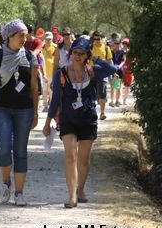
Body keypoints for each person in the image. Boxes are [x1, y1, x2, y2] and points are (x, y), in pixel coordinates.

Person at [43, 37, 116, 208]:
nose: (77, 56)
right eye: (75, 52)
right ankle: (72, 196)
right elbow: (55, 101)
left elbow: (112, 68)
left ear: (86, 56)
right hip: (68, 120)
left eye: (81, 53)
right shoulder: (61, 74)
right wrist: (47, 123)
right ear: (70, 53)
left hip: (87, 120)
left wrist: (95, 59)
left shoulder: (93, 71)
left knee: (83, 160)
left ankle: (80, 190)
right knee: (70, 157)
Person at [0, 19, 38, 207]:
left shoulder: (30, 57)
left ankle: (20, 193)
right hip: (1, 109)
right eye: (21, 35)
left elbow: (33, 87)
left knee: (21, 151)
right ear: (9, 37)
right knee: (4, 149)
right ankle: (6, 182)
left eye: (26, 35)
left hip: (25, 109)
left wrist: (37, 112)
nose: (25, 38)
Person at [90, 30, 113, 120]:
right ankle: (93, 112)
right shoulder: (90, 48)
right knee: (92, 94)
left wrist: (112, 71)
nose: (96, 40)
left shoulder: (106, 48)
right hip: (92, 73)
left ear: (101, 39)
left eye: (98, 38)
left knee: (102, 93)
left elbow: (109, 61)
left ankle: (102, 113)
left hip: (102, 73)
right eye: (94, 38)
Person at [42, 31, 57, 112]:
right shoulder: (42, 47)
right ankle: (45, 105)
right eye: (47, 39)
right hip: (44, 72)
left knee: (51, 89)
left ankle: (51, 104)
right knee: (44, 89)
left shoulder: (55, 47)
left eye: (50, 39)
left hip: (52, 72)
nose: (48, 41)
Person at [109, 39, 126, 107]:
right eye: (115, 43)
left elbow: (123, 60)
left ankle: (117, 100)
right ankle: (112, 101)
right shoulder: (111, 52)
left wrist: (119, 66)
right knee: (112, 86)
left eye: (118, 43)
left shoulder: (122, 52)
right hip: (112, 70)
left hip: (119, 71)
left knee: (118, 86)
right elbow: (109, 60)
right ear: (113, 44)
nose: (116, 45)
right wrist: (113, 66)